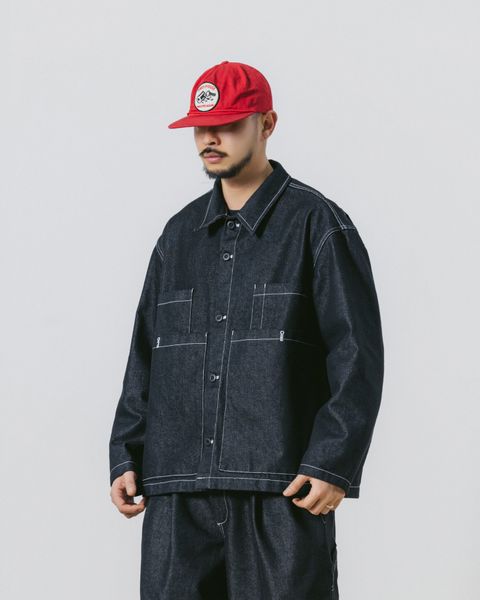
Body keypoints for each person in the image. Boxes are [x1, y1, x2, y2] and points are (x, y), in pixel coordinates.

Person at [108, 60, 384, 599]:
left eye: (229, 124)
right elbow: (145, 353)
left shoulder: (316, 225)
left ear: (267, 124)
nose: (210, 139)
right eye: (201, 127)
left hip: (280, 490)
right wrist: (126, 451)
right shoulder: (178, 236)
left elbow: (356, 352)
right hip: (177, 493)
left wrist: (333, 461)